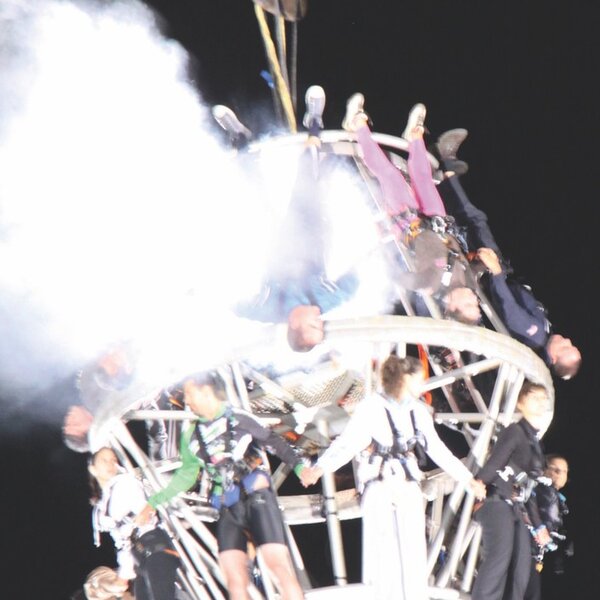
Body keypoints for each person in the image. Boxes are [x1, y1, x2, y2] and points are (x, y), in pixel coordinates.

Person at [299, 354, 486, 600]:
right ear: (405, 379)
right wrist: (320, 468)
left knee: (413, 551)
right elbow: (348, 443)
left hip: (407, 483)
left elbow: (437, 450)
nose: (422, 385)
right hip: (379, 484)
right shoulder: (372, 407)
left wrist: (467, 479)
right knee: (381, 551)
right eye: (418, 379)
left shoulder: (418, 412)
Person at [137, 371, 307, 600]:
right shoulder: (191, 434)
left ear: (206, 391)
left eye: (190, 393)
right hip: (228, 506)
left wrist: (300, 468)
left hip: (256, 497)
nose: (187, 400)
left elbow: (273, 441)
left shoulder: (238, 417)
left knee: (277, 566)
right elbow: (186, 475)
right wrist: (153, 503)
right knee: (234, 580)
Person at [434, 140, 581, 379]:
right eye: (571, 344)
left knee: (471, 221)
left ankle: (445, 170)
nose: (567, 340)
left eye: (565, 348)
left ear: (553, 359)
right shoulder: (545, 333)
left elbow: (510, 311)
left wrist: (496, 272)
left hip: (490, 271)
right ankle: (447, 175)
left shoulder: (534, 335)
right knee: (472, 221)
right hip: (499, 272)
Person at [471, 381, 552, 600]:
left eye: (543, 398)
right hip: (496, 500)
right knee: (499, 557)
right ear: (521, 403)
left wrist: (539, 525)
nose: (540, 402)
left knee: (521, 567)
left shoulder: (536, 444)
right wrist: (480, 483)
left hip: (515, 507)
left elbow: (529, 489)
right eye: (534, 397)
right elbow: (496, 461)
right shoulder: (515, 431)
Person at [88, 447, 180, 600]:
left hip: (153, 546)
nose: (110, 464)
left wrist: (123, 576)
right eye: (104, 460)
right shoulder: (102, 505)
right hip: (140, 556)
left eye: (113, 460)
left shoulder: (125, 483)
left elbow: (136, 523)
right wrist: (123, 576)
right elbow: (123, 541)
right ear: (93, 469)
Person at [524, 454, 572, 600]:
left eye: (564, 471)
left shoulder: (556, 496)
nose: (560, 474)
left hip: (535, 554)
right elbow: (526, 505)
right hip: (525, 548)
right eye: (555, 469)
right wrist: (538, 528)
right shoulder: (539, 488)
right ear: (544, 469)